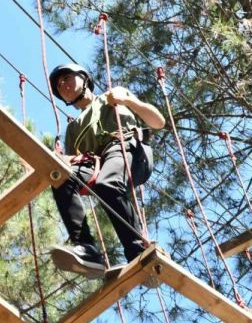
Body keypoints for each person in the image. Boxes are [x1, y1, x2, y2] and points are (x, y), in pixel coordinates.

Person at [47, 63, 165, 278]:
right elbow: (75, 162)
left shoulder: (112, 98)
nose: (62, 84)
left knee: (107, 184)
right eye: (58, 84)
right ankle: (87, 251)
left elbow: (158, 122)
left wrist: (128, 100)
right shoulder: (73, 129)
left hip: (127, 148)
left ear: (84, 78)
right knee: (61, 177)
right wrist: (49, 162)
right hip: (98, 162)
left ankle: (137, 250)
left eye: (66, 78)